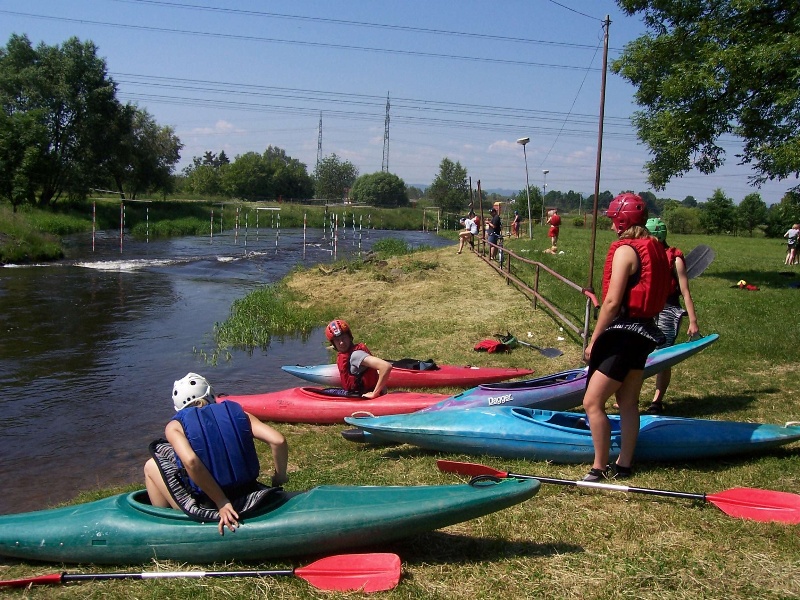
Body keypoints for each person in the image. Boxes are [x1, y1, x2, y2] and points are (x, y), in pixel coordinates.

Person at [581, 193, 670, 482]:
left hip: (622, 335)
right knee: (628, 402)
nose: (611, 227)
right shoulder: (654, 247)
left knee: (592, 402)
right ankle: (624, 465)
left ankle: (598, 467)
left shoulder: (625, 251)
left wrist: (595, 339)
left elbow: (611, 303)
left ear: (622, 220)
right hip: (645, 333)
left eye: (612, 221)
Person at [144, 373, 289, 535]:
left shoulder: (174, 427)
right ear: (211, 394)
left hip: (210, 504)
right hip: (250, 491)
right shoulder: (239, 413)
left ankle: (163, 524)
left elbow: (191, 461)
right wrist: (280, 475)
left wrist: (221, 502)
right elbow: (278, 441)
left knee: (150, 466)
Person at [644, 217, 700, 415]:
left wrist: (693, 321)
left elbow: (685, 291)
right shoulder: (644, 255)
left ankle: (657, 401)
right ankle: (629, 396)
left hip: (668, 310)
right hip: (647, 309)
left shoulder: (674, 259)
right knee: (638, 353)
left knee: (662, 356)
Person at [326, 318, 393, 398]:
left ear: (349, 337)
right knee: (325, 392)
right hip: (356, 393)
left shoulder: (356, 355)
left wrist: (374, 393)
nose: (341, 342)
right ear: (333, 344)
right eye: (337, 340)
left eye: (343, 338)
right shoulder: (346, 354)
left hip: (362, 396)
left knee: (323, 393)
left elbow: (386, 366)